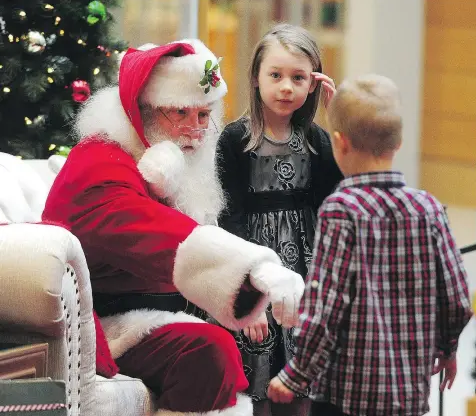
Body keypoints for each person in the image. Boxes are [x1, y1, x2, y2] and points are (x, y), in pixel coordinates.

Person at [42, 39, 306, 416]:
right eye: (180, 112)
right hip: (103, 324)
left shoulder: (162, 160)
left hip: (153, 312)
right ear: (144, 110)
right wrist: (255, 270)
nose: (195, 131)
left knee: (233, 349)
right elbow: (157, 234)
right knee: (207, 351)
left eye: (203, 116)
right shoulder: (99, 164)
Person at [267, 74, 473, 416]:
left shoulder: (341, 210)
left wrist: (296, 375)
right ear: (399, 143)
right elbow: (457, 297)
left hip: (344, 399)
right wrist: (447, 348)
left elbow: (326, 307)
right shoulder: (429, 209)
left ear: (340, 143)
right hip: (406, 396)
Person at [216, 24, 343, 416]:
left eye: (299, 78)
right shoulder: (235, 139)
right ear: (256, 78)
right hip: (255, 268)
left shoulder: (318, 140)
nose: (286, 87)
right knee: (259, 374)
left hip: (304, 271)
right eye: (276, 75)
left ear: (313, 84)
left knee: (301, 375)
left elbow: (337, 200)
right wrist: (248, 297)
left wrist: (335, 116)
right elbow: (228, 219)